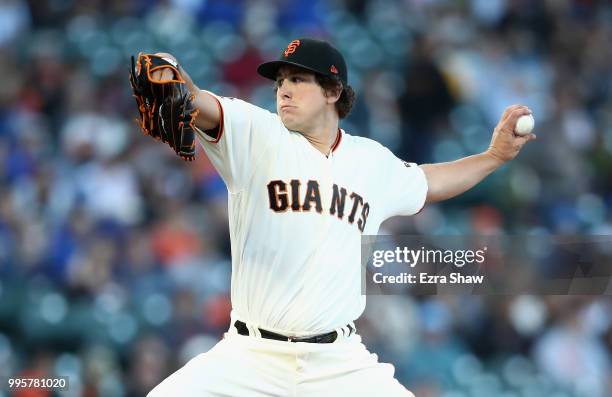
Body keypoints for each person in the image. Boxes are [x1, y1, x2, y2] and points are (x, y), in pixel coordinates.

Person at [145, 38, 536, 397]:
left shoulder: (371, 161)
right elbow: (197, 102)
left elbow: (430, 181)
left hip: (339, 363)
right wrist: (169, 73)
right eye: (280, 80)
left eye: (298, 79)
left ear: (333, 91)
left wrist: (493, 158)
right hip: (251, 356)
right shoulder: (257, 134)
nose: (283, 89)